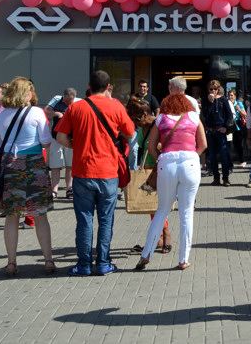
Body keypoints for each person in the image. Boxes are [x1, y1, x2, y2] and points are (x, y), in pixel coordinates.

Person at [55, 70, 135, 276]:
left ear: (89, 85)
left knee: (84, 219)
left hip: (82, 171)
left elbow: (61, 136)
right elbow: (131, 133)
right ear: (108, 87)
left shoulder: (76, 107)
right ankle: (103, 262)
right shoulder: (116, 106)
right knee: (106, 219)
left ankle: (83, 264)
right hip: (108, 172)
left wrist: (76, 145)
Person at [135, 92, 208, 271]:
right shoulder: (193, 117)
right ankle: (183, 259)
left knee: (162, 209)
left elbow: (151, 146)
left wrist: (162, 158)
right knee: (186, 212)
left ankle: (146, 254)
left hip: (167, 162)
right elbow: (203, 144)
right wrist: (192, 157)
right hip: (190, 162)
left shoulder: (161, 119)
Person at [0, 77, 55, 276]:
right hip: (34, 164)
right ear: (27, 93)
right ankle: (48, 260)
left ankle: (11, 262)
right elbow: (46, 142)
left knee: (12, 216)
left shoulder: (2, 116)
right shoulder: (36, 112)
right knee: (40, 215)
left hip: (11, 165)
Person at [125, 97, 172, 255]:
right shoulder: (140, 127)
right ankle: (159, 236)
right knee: (151, 206)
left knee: (159, 205)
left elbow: (171, 142)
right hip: (146, 168)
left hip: (159, 168)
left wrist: (161, 146)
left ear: (145, 115)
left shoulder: (159, 124)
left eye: (136, 119)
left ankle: (166, 235)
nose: (135, 123)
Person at [45, 88, 79, 199]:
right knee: (55, 165)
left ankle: (69, 189)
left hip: (70, 138)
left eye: (70, 100)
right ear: (63, 96)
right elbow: (47, 110)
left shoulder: (79, 102)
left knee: (70, 165)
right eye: (66, 100)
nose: (68, 103)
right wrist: (58, 113)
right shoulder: (57, 99)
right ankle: (54, 189)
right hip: (56, 137)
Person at [202, 80, 234, 186]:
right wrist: (210, 102)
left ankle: (226, 178)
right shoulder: (205, 100)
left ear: (218, 89)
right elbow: (205, 114)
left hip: (220, 132)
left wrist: (225, 126)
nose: (213, 91)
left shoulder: (223, 100)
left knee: (224, 156)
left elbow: (229, 115)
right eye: (211, 89)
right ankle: (216, 178)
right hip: (211, 131)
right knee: (212, 157)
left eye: (215, 89)